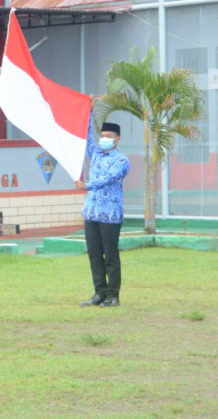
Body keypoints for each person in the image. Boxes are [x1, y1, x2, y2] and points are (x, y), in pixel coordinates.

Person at [74, 98, 130, 308]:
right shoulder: (95, 153)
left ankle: (113, 295)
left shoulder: (122, 160)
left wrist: (87, 185)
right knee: (94, 257)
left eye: (109, 136)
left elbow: (109, 178)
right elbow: (86, 135)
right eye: (103, 136)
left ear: (117, 139)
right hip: (91, 214)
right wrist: (88, 109)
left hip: (110, 216)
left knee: (111, 258)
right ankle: (99, 292)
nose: (104, 139)